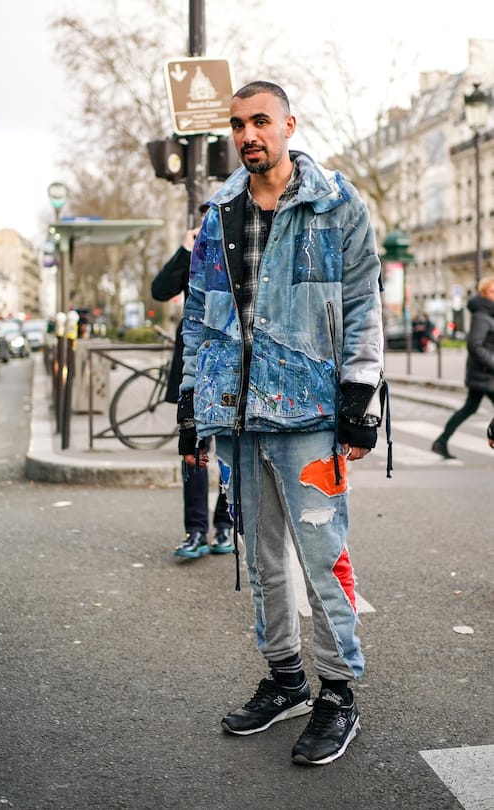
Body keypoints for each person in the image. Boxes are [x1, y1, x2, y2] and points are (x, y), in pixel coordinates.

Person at [177, 81, 385, 765]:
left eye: (260, 121)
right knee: (261, 561)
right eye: (237, 125)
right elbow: (202, 308)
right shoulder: (221, 213)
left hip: (310, 414)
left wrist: (359, 395)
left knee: (321, 559)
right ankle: (286, 678)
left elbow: (362, 303)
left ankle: (337, 693)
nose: (248, 135)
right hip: (238, 415)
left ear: (289, 124)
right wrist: (190, 396)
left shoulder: (335, 204)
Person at [151, 215, 233, 559]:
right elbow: (160, 290)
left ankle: (226, 523)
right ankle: (196, 529)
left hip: (232, 361)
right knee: (194, 449)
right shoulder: (196, 252)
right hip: (195, 363)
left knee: (231, 449)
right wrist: (187, 247)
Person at [432, 276, 494, 459]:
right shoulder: (482, 315)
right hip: (484, 374)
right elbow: (475, 345)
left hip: (483, 373)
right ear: (483, 293)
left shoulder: (488, 313)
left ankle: (441, 441)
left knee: (469, 407)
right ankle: (441, 441)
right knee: (469, 408)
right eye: (492, 291)